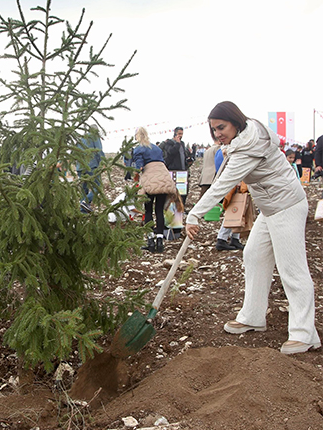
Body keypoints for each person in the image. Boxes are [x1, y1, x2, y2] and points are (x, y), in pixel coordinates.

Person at [186, 101, 320, 355]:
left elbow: (223, 183)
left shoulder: (249, 147)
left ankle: (305, 334)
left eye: (221, 127)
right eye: (213, 130)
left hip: (287, 206)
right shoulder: (241, 141)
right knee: (254, 255)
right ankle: (253, 317)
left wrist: (194, 214)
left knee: (292, 269)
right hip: (270, 209)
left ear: (236, 122)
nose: (217, 134)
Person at [133, 126, 174, 253]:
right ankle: (160, 242)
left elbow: (139, 167)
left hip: (150, 179)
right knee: (159, 210)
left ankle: (150, 241)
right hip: (163, 177)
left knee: (148, 210)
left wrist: (136, 177)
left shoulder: (139, 148)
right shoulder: (156, 148)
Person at [160, 127, 193, 205]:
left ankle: (182, 206)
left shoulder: (182, 144)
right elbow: (171, 152)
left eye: (182, 134)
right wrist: (177, 143)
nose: (181, 136)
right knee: (172, 191)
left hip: (182, 170)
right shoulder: (169, 143)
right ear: (175, 133)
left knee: (183, 190)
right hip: (173, 170)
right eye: (179, 134)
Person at [77, 125, 104, 212]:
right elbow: (98, 150)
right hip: (91, 166)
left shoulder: (81, 138)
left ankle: (82, 211)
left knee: (84, 189)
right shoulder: (94, 137)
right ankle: (86, 202)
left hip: (80, 166)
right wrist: (102, 162)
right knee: (98, 186)